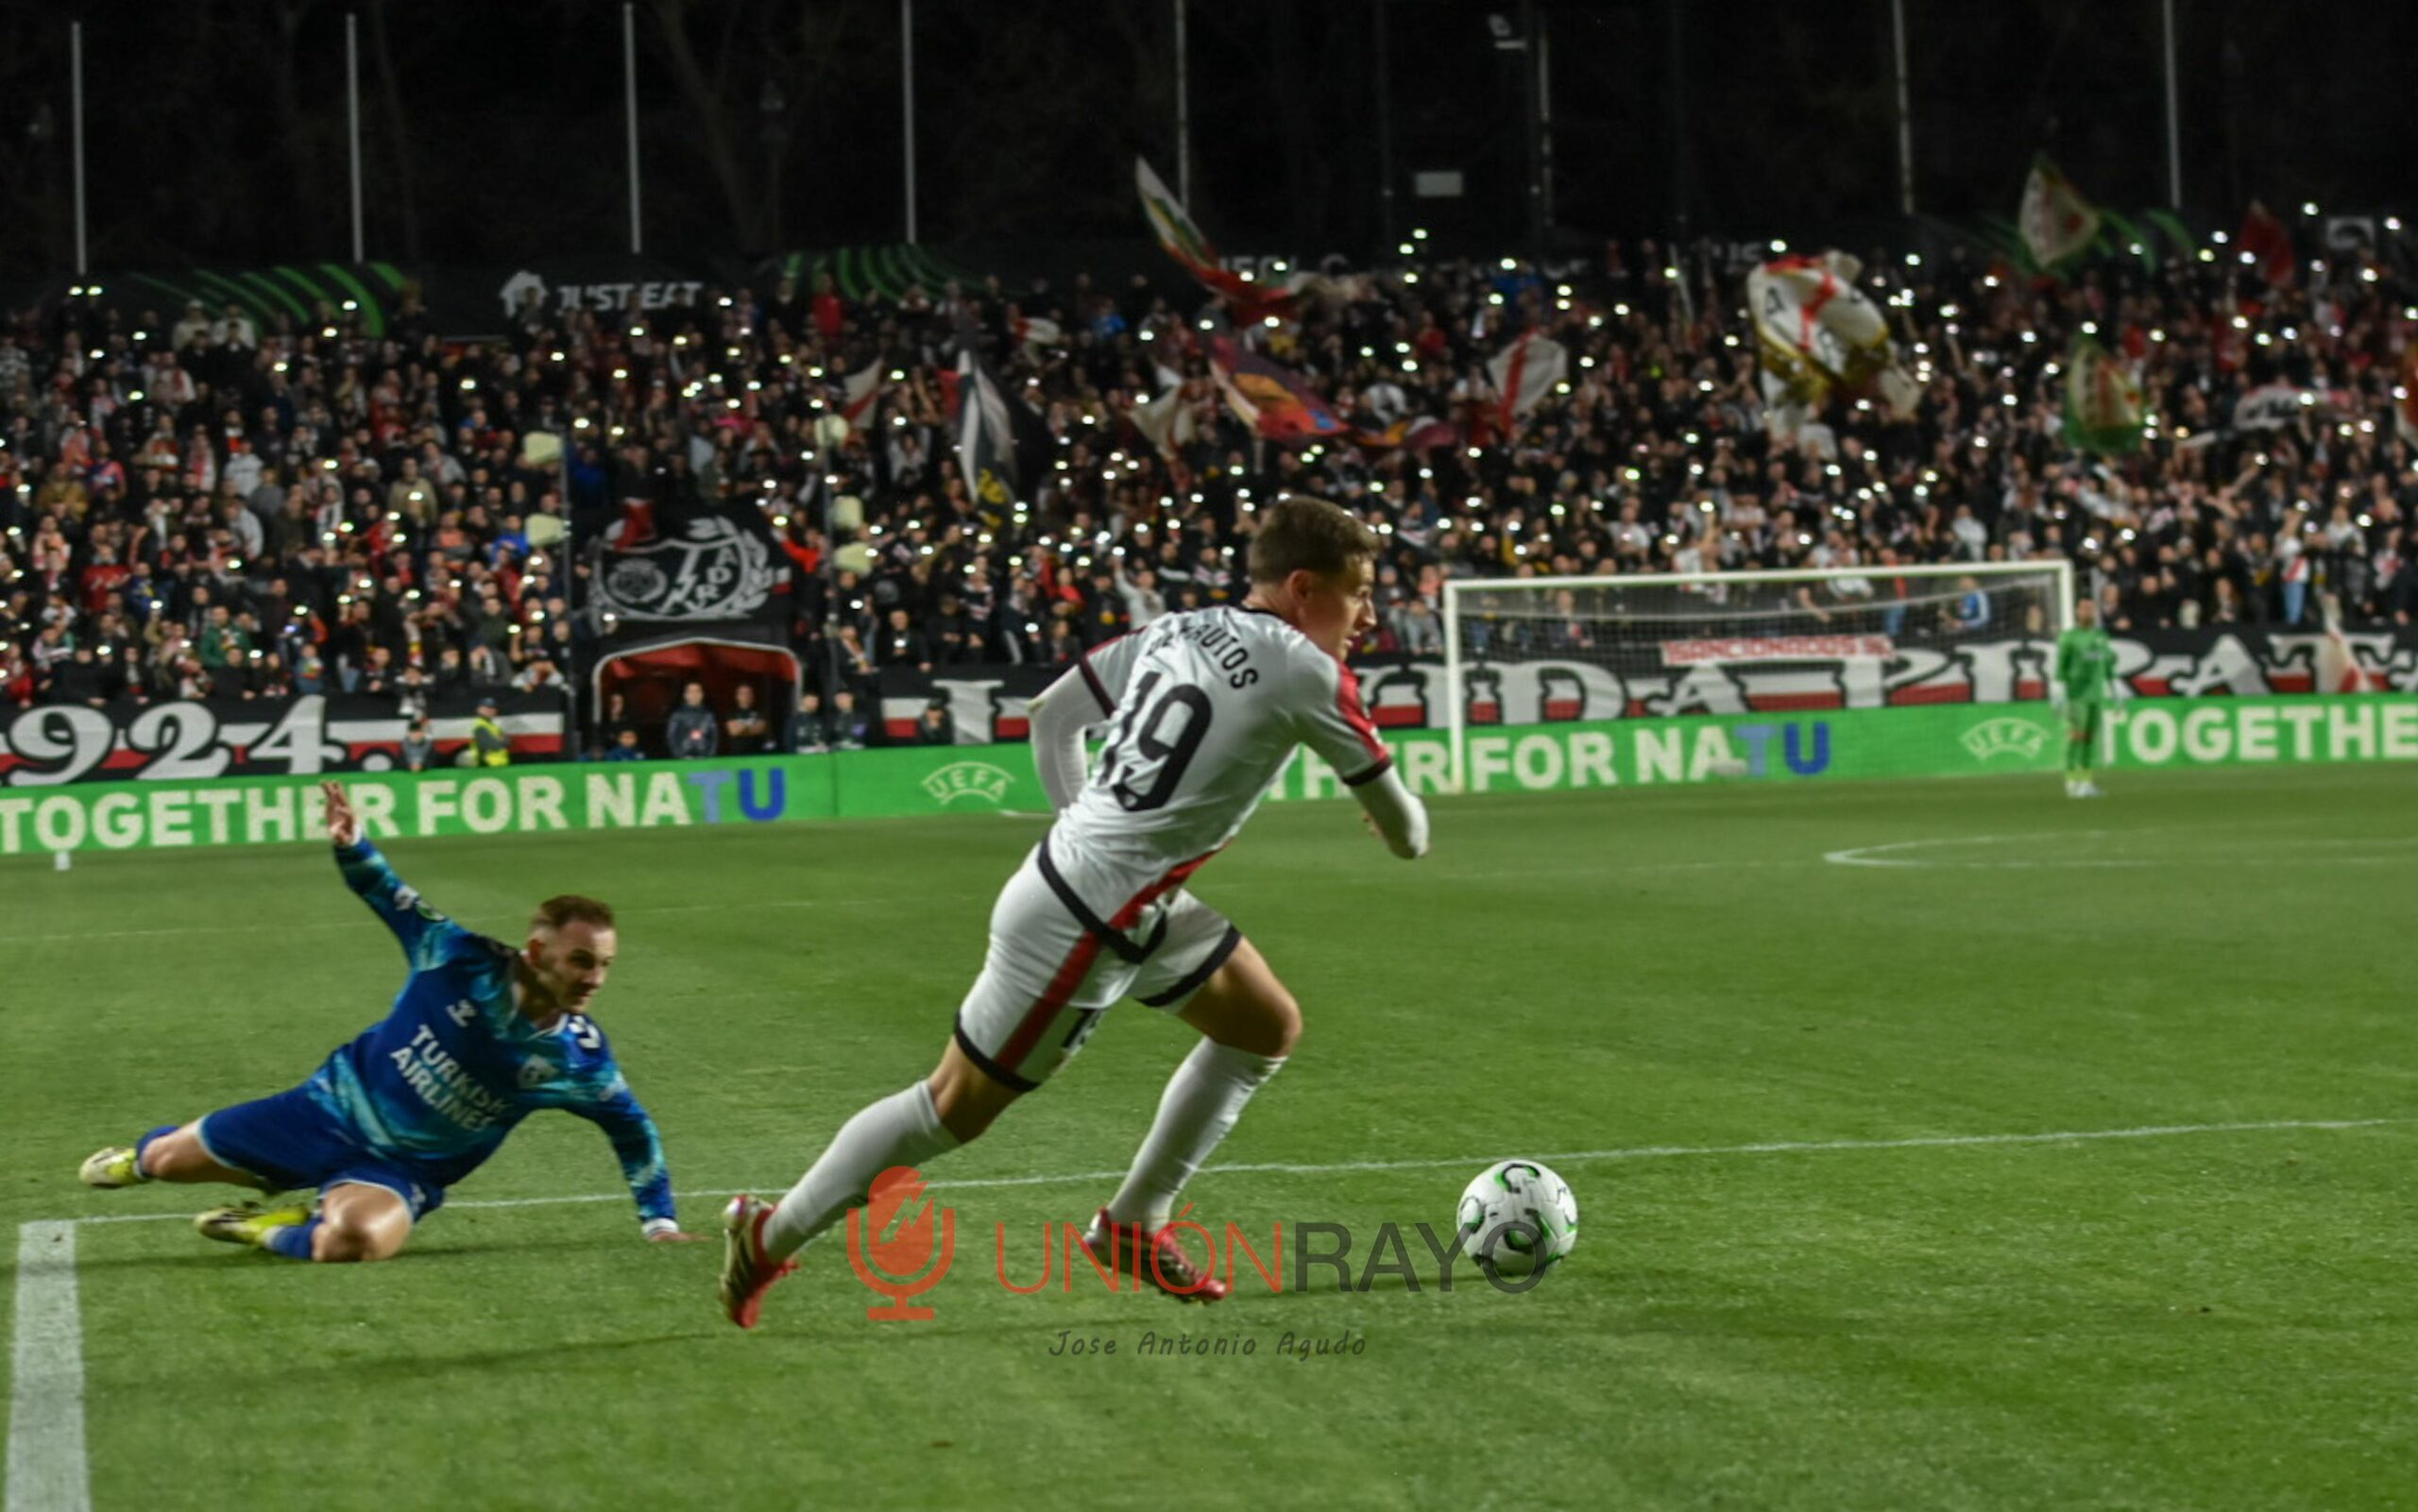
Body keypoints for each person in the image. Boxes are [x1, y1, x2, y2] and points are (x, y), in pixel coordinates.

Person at [716, 497, 1429, 1328]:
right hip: (1086, 921)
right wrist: (1388, 816)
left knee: (1262, 1026)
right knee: (950, 1108)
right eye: (1358, 592)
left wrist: (1088, 834)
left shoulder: (1179, 627)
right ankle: (769, 1235)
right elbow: (1411, 837)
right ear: (1304, 588)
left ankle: (1134, 1222)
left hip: (1108, 894)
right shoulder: (1308, 670)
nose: (1369, 616)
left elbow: (1053, 716)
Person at [77, 782, 694, 1262]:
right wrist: (352, 845)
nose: (594, 978)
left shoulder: (578, 1057)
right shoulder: (456, 956)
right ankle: (139, 1156)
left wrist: (660, 1222)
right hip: (323, 1111)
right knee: (167, 1160)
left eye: (604, 965)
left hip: (399, 1172)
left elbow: (632, 1129)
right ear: (537, 952)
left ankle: (263, 1227)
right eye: (581, 961)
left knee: (359, 1242)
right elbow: (388, 893)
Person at [2054, 597, 2120, 798]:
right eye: (2083, 608)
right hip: (2076, 695)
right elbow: (2061, 668)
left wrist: (2116, 693)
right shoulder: (2069, 637)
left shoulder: (2101, 636)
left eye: (2090, 608)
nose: (2087, 611)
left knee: (2090, 740)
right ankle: (2071, 780)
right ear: (2077, 611)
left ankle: (2085, 781)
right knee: (2077, 737)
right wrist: (2057, 694)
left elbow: (2107, 666)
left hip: (2096, 695)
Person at [665, 681, 718, 759]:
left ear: (702, 694)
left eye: (697, 691)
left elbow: (715, 738)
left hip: (704, 757)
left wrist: (709, 756)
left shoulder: (709, 715)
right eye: (690, 691)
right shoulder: (677, 715)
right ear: (685, 695)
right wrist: (680, 756)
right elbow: (671, 737)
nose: (694, 694)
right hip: (683, 758)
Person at [724, 683, 772, 755]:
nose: (746, 696)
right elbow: (734, 731)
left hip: (757, 754)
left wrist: (743, 727)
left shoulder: (761, 712)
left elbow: (761, 728)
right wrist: (752, 724)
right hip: (737, 755)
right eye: (743, 693)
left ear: (753, 695)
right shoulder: (731, 713)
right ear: (737, 696)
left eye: (749, 693)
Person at [468, 696, 511, 768]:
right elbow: (494, 746)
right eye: (487, 708)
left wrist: (499, 740)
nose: (491, 711)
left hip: (499, 765)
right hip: (487, 766)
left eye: (493, 708)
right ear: (479, 710)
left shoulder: (493, 726)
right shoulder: (480, 726)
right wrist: (500, 740)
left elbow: (508, 742)